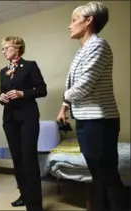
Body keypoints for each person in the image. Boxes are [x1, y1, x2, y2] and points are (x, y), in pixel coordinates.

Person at [57, 2, 128, 210]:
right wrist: (64, 105)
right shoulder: (83, 50)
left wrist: (65, 98)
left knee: (107, 176)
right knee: (98, 174)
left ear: (89, 21)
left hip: (99, 121)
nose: (69, 26)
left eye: (73, 20)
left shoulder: (98, 45)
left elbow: (84, 85)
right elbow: (73, 85)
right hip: (87, 120)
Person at [0, 36, 47, 211]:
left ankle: (35, 206)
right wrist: (1, 98)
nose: (3, 51)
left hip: (28, 119)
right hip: (9, 120)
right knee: (17, 160)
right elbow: (2, 94)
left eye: (6, 48)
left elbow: (42, 90)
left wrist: (22, 93)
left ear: (17, 48)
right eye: (2, 48)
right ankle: (24, 196)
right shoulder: (3, 70)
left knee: (29, 160)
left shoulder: (30, 66)